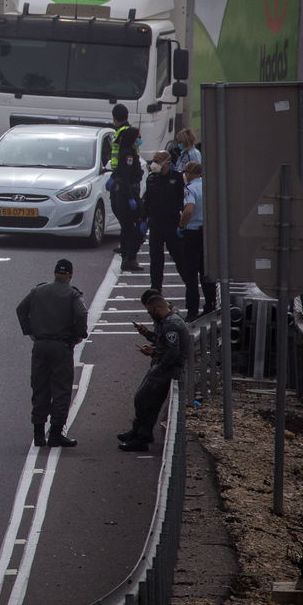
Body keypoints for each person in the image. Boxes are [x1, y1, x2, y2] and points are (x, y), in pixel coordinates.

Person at [15, 258, 88, 448]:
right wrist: (80, 334)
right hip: (61, 347)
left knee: (40, 387)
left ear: (54, 272)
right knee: (61, 389)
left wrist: (29, 331)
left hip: (40, 346)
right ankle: (56, 433)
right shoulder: (73, 295)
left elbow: (21, 309)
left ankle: (38, 434)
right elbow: (80, 315)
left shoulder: (38, 290)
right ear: (70, 275)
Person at [119, 289, 191, 451]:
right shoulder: (167, 322)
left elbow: (173, 351)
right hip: (163, 366)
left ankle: (141, 436)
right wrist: (148, 337)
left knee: (142, 399)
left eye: (151, 311)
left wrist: (160, 366)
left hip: (166, 369)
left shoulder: (171, 323)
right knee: (149, 402)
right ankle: (141, 432)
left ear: (157, 309)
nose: (151, 315)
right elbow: (162, 343)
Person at [177, 161, 218, 321]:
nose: (184, 175)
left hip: (192, 234)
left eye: (186, 172)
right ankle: (210, 305)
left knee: (191, 274)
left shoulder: (190, 189)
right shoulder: (208, 187)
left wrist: (181, 224)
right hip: (207, 234)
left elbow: (189, 209)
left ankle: (192, 311)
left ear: (192, 173)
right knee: (206, 272)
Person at [141, 150, 186, 293]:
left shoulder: (177, 178)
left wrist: (183, 223)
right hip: (155, 224)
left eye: (157, 160)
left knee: (179, 256)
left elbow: (182, 200)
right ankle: (156, 289)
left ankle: (189, 283)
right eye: (153, 160)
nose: (154, 163)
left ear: (167, 162)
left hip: (172, 223)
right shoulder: (152, 178)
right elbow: (147, 200)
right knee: (155, 259)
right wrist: (143, 219)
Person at [108, 104, 144, 271]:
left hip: (123, 186)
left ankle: (127, 253)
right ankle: (129, 256)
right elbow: (125, 174)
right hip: (126, 189)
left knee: (128, 224)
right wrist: (130, 197)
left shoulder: (123, 137)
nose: (139, 139)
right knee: (132, 225)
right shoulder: (128, 152)